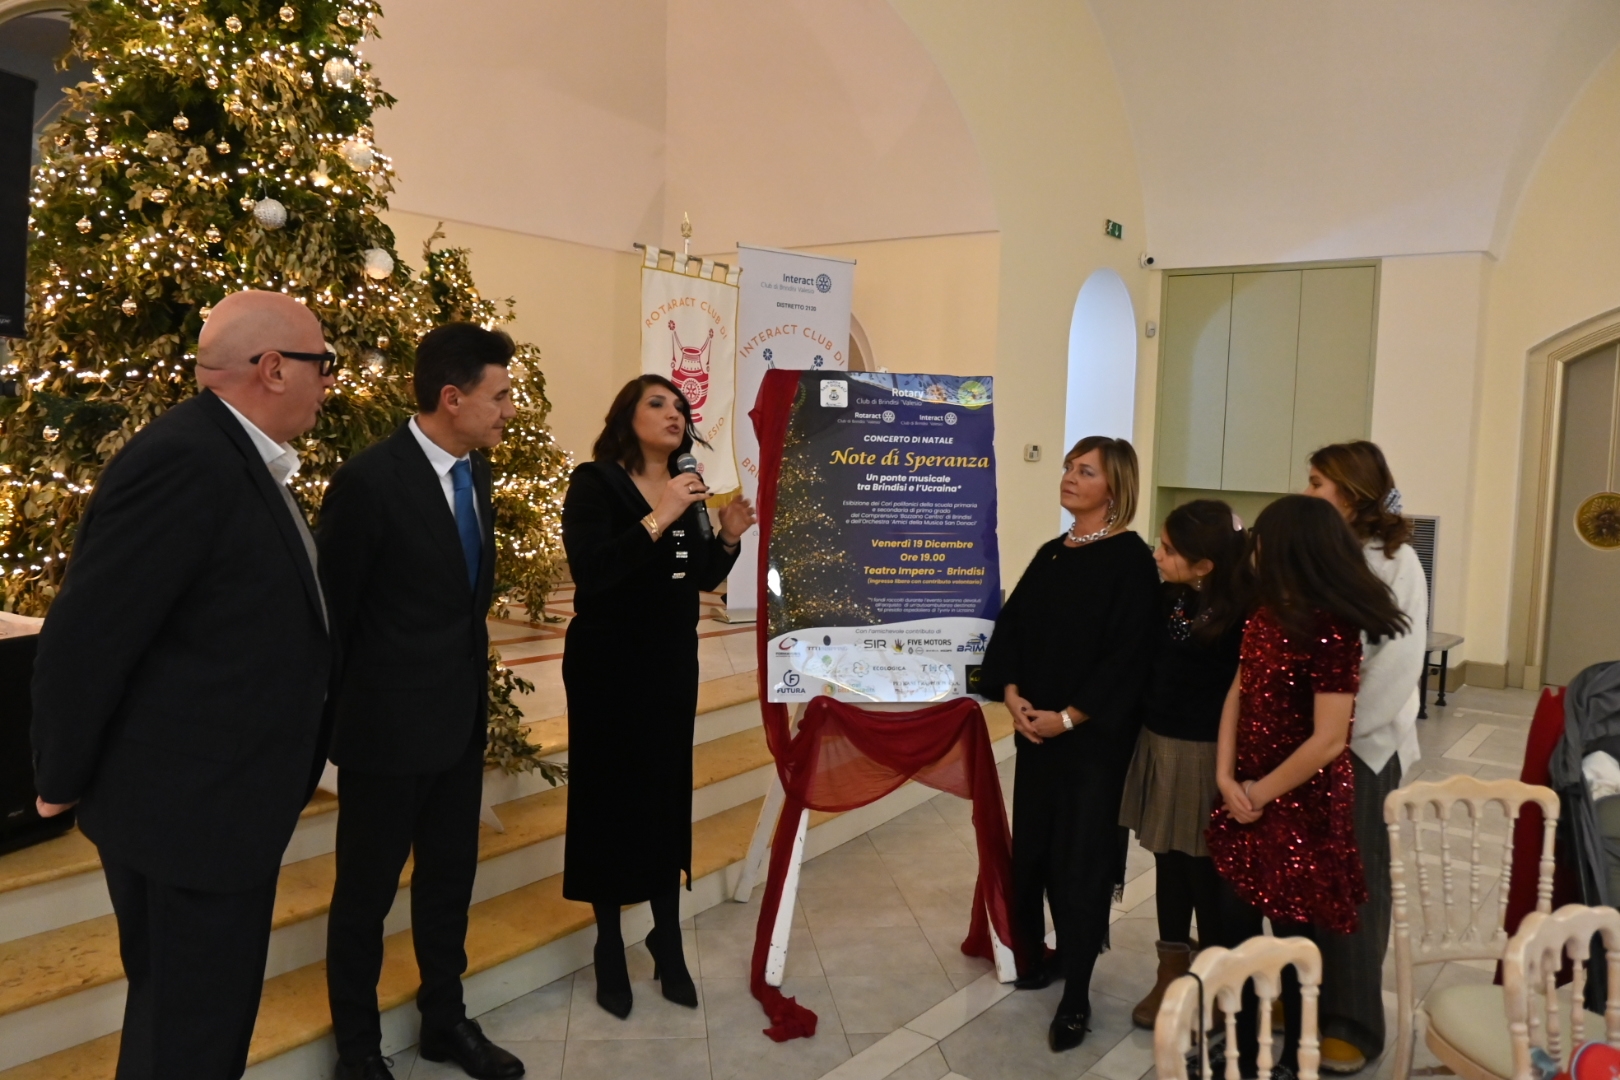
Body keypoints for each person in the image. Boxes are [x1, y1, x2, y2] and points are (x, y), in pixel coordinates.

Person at [29, 291, 335, 1080]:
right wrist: (59, 777)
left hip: (221, 807)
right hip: (187, 816)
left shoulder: (238, 456)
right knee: (185, 1038)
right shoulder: (186, 459)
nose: (330, 380)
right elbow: (89, 633)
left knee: (203, 1025)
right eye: (323, 362)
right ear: (273, 369)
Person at [319, 324, 525, 1080]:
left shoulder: (477, 475)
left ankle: (445, 1020)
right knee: (365, 898)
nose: (509, 410)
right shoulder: (370, 482)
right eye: (499, 395)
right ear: (452, 398)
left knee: (447, 885)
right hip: (383, 734)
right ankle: (357, 1049)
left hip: (457, 725)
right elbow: (333, 616)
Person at [561, 375, 756, 1019]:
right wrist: (661, 513)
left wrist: (726, 536)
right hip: (606, 664)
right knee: (607, 796)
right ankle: (609, 943)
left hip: (670, 662)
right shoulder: (596, 482)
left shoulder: (685, 485)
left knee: (664, 793)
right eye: (658, 403)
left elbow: (697, 575)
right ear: (627, 416)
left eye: (680, 407)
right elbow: (593, 571)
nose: (674, 414)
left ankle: (665, 936)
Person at [1206, 494, 1409, 1079]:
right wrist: (1225, 776)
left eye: (1262, 537)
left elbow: (1328, 739)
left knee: (1296, 936)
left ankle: (1298, 1052)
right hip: (1245, 793)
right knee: (1235, 923)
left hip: (1298, 802)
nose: (1254, 548)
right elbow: (1237, 693)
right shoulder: (1264, 614)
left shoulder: (1331, 628)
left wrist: (1259, 792)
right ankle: (1242, 1043)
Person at [978, 436, 1160, 1053]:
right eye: (1069, 467)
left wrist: (1071, 717)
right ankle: (1041, 955)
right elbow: (1014, 628)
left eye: (1085, 471)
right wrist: (1011, 693)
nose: (1070, 477)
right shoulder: (1053, 553)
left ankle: (1077, 995)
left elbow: (1127, 657)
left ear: (1115, 488)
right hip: (1038, 737)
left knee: (1081, 865)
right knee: (1035, 853)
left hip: (1091, 746)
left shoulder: (1130, 561)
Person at [1303, 441, 1428, 1075]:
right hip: (1306, 748)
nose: (1305, 493)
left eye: (1316, 483)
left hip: (1365, 749)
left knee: (1353, 886)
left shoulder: (1395, 561)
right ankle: (1304, 1000)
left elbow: (1396, 666)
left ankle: (1353, 1023)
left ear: (1351, 496)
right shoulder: (1317, 552)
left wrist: (1336, 737)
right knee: (1301, 878)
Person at [1119, 499, 1251, 1028]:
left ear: (1206, 565)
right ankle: (1171, 969)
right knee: (1168, 861)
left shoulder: (1243, 614)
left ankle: (1217, 979)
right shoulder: (1169, 596)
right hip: (1159, 742)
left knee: (1205, 870)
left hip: (1207, 753)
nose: (1157, 554)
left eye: (1170, 549)